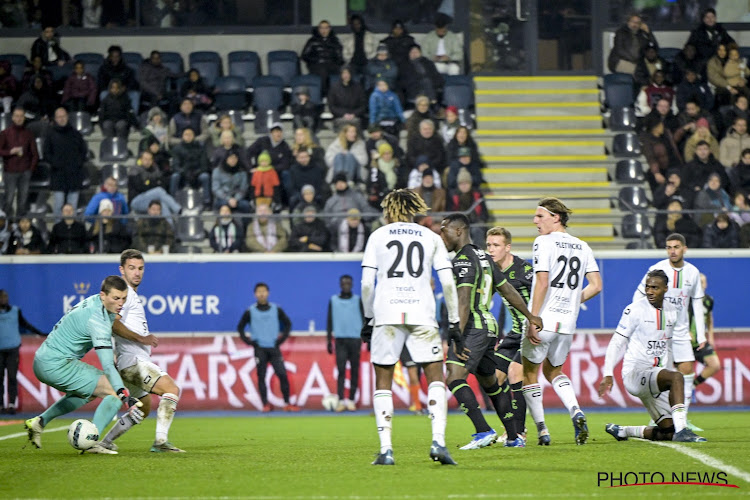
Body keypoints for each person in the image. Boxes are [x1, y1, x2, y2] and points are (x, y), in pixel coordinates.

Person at [360, 189, 459, 466]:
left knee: (384, 380)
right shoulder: (430, 237)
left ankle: (386, 450)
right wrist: (453, 321)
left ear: (390, 210)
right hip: (422, 313)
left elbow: (367, 284)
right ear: (413, 209)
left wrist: (368, 318)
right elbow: (448, 283)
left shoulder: (378, 236)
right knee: (435, 378)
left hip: (387, 313)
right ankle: (438, 442)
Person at [439, 213, 542, 450]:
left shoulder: (463, 260)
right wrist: (530, 315)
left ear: (458, 230)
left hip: (472, 326)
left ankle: (483, 430)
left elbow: (464, 301)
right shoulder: (484, 257)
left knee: (454, 377)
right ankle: (515, 437)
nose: (441, 235)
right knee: (492, 384)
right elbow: (506, 289)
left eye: (444, 230)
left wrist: (456, 334)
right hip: (490, 327)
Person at [24, 276, 144, 454]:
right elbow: (108, 367)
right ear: (103, 295)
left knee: (86, 394)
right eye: (116, 298)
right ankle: (91, 441)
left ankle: (39, 422)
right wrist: (125, 396)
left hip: (44, 359)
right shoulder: (97, 320)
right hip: (56, 364)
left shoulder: (96, 303)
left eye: (123, 299)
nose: (120, 303)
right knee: (113, 390)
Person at [522, 197, 602, 446]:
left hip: (545, 319)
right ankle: (576, 410)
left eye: (540, 216)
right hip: (568, 323)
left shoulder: (543, 242)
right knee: (553, 370)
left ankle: (542, 430)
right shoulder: (582, 246)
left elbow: (543, 282)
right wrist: (571, 300)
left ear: (556, 217)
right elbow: (597, 286)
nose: (535, 221)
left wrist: (533, 318)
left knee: (529, 373)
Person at [599, 270, 706, 443]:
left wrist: (668, 370)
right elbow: (616, 342)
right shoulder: (634, 309)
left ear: (665, 289)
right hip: (636, 373)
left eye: (654, 288)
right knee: (677, 377)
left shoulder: (673, 311)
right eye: (647, 287)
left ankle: (623, 431)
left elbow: (668, 346)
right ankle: (683, 430)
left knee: (667, 432)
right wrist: (608, 373)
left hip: (655, 375)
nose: (649, 291)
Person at [97, 250, 183, 452]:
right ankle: (161, 442)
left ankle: (105, 441)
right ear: (122, 270)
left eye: (140, 268)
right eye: (131, 268)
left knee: (143, 408)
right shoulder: (123, 294)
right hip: (133, 360)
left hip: (128, 362)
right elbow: (113, 324)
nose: (137, 272)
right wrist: (141, 338)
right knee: (171, 389)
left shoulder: (130, 295)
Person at [633, 233, 706, 430]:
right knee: (662, 374)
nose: (672, 250)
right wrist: (637, 320)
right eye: (668, 247)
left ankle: (683, 418)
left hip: (681, 330)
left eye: (676, 247)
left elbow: (697, 303)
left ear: (684, 249)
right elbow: (639, 294)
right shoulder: (657, 269)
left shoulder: (693, 272)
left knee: (687, 370)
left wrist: (701, 334)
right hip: (659, 328)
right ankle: (658, 416)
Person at [486, 227, 533, 446]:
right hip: (514, 333)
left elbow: (544, 294)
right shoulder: (492, 271)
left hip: (531, 331)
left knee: (515, 374)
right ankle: (511, 430)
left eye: (496, 245)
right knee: (495, 378)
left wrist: (537, 322)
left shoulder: (524, 269)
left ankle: (520, 432)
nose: (491, 249)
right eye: (488, 245)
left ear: (507, 247)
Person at [237, 283, 299, 412]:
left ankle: (287, 403)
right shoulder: (250, 311)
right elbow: (240, 327)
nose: (261, 294)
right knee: (261, 376)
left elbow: (288, 324)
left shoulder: (276, 309)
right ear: (255, 294)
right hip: (260, 348)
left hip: (274, 348)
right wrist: (249, 342)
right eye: (259, 292)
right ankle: (265, 404)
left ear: (268, 293)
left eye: (264, 291)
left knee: (282, 374)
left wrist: (281, 340)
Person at [0, 289, 45, 414]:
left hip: (12, 348)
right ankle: (0, 406)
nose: (4, 299)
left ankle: (11, 404)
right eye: (1, 297)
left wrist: (41, 334)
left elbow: (25, 325)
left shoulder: (15, 311)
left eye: (5, 296)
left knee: (12, 377)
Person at [326, 275, 364, 411]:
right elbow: (329, 320)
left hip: (355, 339)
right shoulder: (333, 300)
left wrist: (367, 338)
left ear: (352, 284)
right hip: (340, 340)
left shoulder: (357, 300)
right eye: (344, 283)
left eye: (349, 283)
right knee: (341, 370)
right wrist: (328, 340)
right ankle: (341, 400)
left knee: (354, 370)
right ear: (340, 285)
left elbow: (364, 319)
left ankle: (352, 400)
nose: (346, 285)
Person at [45, 107, 89, 216]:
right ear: (55, 119)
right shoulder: (50, 134)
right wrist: (56, 163)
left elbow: (83, 151)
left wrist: (77, 163)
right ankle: (58, 229)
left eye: (63, 116)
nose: (61, 119)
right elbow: (46, 153)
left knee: (72, 206)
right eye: (59, 117)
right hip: (58, 175)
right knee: (58, 205)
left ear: (67, 117)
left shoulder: (75, 133)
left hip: (74, 175)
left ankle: (71, 230)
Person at [0, 107, 38, 217]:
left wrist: (30, 170)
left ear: (24, 118)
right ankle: (7, 225)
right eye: (17, 116)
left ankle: (20, 225)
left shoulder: (29, 134)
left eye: (21, 116)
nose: (19, 118)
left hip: (25, 172)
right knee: (9, 200)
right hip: (10, 172)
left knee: (22, 201)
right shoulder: (5, 133)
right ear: (12, 117)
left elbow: (35, 154)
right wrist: (10, 152)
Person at [690, 274, 721, 395]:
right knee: (685, 371)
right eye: (698, 282)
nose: (701, 285)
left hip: (700, 342)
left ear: (706, 284)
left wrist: (711, 336)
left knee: (715, 365)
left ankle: (693, 385)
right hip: (686, 342)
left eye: (703, 282)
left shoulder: (708, 300)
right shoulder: (687, 300)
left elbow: (709, 319)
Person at [170, 128, 211, 208]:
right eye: (186, 134)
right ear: (182, 136)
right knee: (175, 176)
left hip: (197, 174)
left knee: (205, 176)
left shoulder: (200, 148)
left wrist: (196, 173)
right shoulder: (177, 149)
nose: (188, 136)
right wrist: (184, 172)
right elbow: (175, 165)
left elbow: (204, 165)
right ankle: (172, 201)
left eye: (190, 134)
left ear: (194, 136)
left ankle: (207, 202)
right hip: (183, 174)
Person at [301, 20, 343, 97]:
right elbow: (304, 55)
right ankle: (324, 95)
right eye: (321, 28)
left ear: (329, 29)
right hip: (317, 65)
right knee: (323, 71)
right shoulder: (312, 41)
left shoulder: (335, 41)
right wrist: (314, 61)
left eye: (326, 28)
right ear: (318, 29)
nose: (324, 30)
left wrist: (337, 62)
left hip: (331, 65)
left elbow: (340, 57)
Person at [327, 66, 367, 132]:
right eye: (344, 73)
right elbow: (332, 107)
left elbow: (363, 106)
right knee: (343, 123)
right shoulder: (334, 88)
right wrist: (344, 114)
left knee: (355, 122)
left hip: (355, 116)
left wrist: (354, 114)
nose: (346, 75)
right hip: (340, 117)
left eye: (348, 73)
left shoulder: (358, 87)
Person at [212, 147, 250, 213]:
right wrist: (228, 199)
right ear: (226, 159)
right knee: (221, 205)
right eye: (231, 158)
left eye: (235, 158)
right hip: (223, 198)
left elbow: (243, 188)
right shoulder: (217, 171)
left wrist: (235, 199)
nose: (233, 160)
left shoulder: (242, 171)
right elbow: (216, 188)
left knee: (246, 205)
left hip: (237, 198)